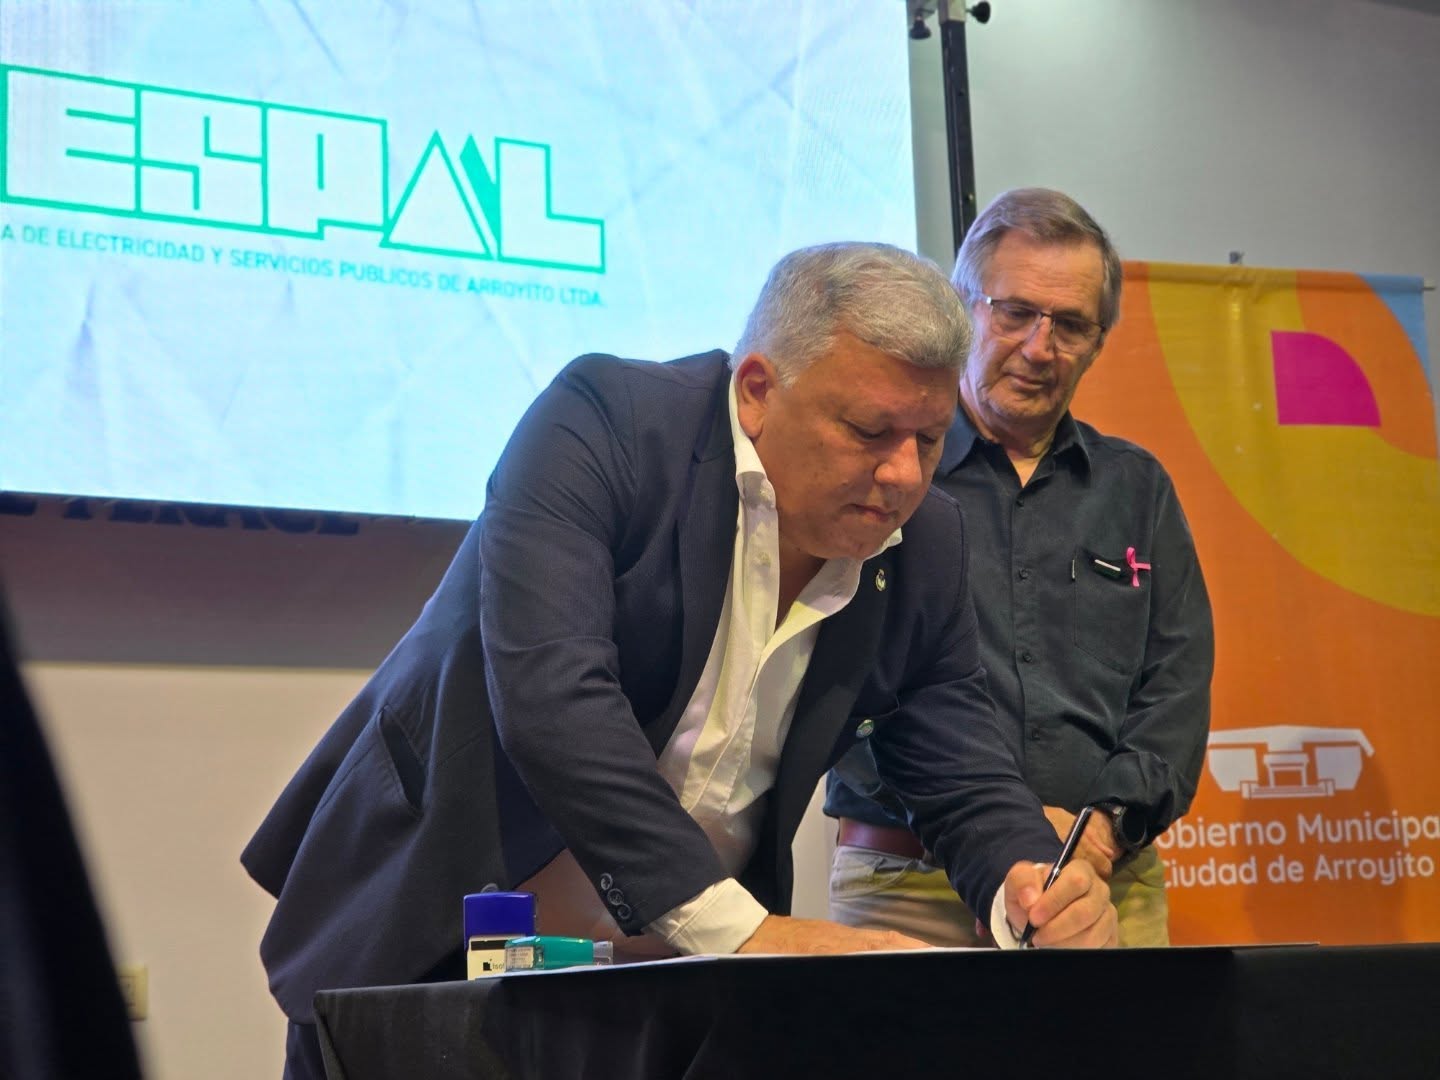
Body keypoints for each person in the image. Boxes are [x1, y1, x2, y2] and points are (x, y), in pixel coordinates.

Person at [242, 241, 1117, 1079]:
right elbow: (554, 698)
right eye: (868, 430)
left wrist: (1026, 879)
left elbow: (958, 759)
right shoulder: (604, 423)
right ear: (757, 390)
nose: (902, 476)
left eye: (928, 440)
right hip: (446, 932)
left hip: (676, 992)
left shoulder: (927, 541)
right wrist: (748, 934)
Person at [827, 189, 1214, 947]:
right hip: (909, 887)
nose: (1040, 348)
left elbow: (1176, 689)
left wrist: (1097, 837)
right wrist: (999, 844)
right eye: (1015, 313)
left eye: (1070, 324)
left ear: (1098, 341)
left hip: (1104, 886)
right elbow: (840, 679)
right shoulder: (886, 475)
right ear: (962, 310)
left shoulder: (1137, 490)